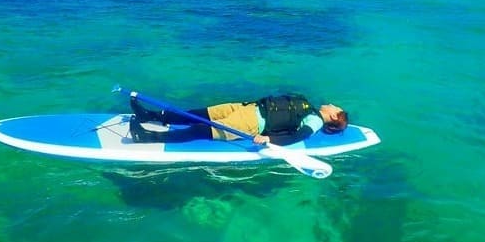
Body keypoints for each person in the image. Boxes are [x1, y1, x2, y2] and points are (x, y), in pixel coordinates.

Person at [128, 93, 348, 146]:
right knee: (197, 113)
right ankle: (150, 116)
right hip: (246, 108)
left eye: (335, 107)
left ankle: (146, 136)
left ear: (334, 116)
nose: (331, 104)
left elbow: (298, 137)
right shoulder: (308, 107)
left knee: (200, 129)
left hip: (250, 123)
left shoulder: (315, 121)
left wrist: (269, 139)